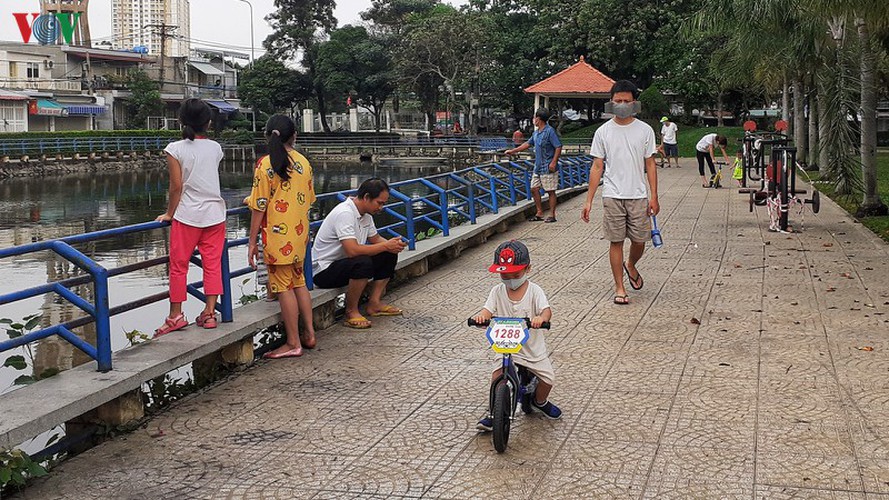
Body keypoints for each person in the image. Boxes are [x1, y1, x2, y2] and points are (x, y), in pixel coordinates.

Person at [581, 80, 659, 305]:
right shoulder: (603, 132)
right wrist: (588, 200)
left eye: (627, 101)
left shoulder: (644, 130)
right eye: (618, 101)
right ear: (611, 102)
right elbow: (597, 166)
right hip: (613, 194)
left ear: (634, 102)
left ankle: (631, 264)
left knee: (640, 240)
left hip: (638, 194)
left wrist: (654, 196)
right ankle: (619, 287)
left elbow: (650, 164)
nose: (622, 105)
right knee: (615, 241)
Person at [154, 99, 226, 337]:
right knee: (212, 264)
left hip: (187, 216)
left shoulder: (175, 149)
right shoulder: (215, 148)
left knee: (178, 266)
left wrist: (169, 213)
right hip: (215, 214)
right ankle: (209, 313)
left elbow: (176, 186)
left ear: (180, 121)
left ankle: (176, 315)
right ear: (208, 122)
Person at [246, 115, 317, 358]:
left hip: (277, 236)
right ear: (294, 135)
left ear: (268, 135)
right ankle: (309, 333)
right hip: (299, 233)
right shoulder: (303, 163)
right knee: (299, 283)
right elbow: (309, 199)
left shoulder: (265, 165)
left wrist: (252, 241)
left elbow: (259, 205)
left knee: (283, 287)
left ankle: (293, 342)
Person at [473, 240, 561, 432]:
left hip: (531, 349)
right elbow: (487, 310)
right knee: (497, 375)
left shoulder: (535, 291)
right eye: (504, 274)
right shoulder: (497, 291)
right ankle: (494, 411)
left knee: (548, 379)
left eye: (515, 274)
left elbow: (546, 311)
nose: (510, 278)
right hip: (505, 346)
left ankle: (539, 400)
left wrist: (540, 318)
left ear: (528, 269)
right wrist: (482, 317)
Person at [311, 178, 407, 329]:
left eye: (383, 203)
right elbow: (352, 250)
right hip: (324, 271)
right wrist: (386, 245)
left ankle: (374, 303)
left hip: (345, 265)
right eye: (379, 203)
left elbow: (375, 239)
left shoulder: (366, 215)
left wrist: (394, 244)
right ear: (367, 197)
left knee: (388, 254)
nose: (381, 207)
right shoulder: (345, 213)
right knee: (362, 262)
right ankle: (351, 312)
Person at [506, 108, 563, 223]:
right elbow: (528, 143)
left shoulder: (549, 131)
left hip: (547, 166)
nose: (533, 120)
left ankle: (552, 214)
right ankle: (539, 212)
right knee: (534, 188)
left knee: (550, 190)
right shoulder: (536, 133)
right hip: (538, 166)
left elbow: (558, 146)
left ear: (538, 119)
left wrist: (553, 162)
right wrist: (514, 151)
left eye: (534, 117)